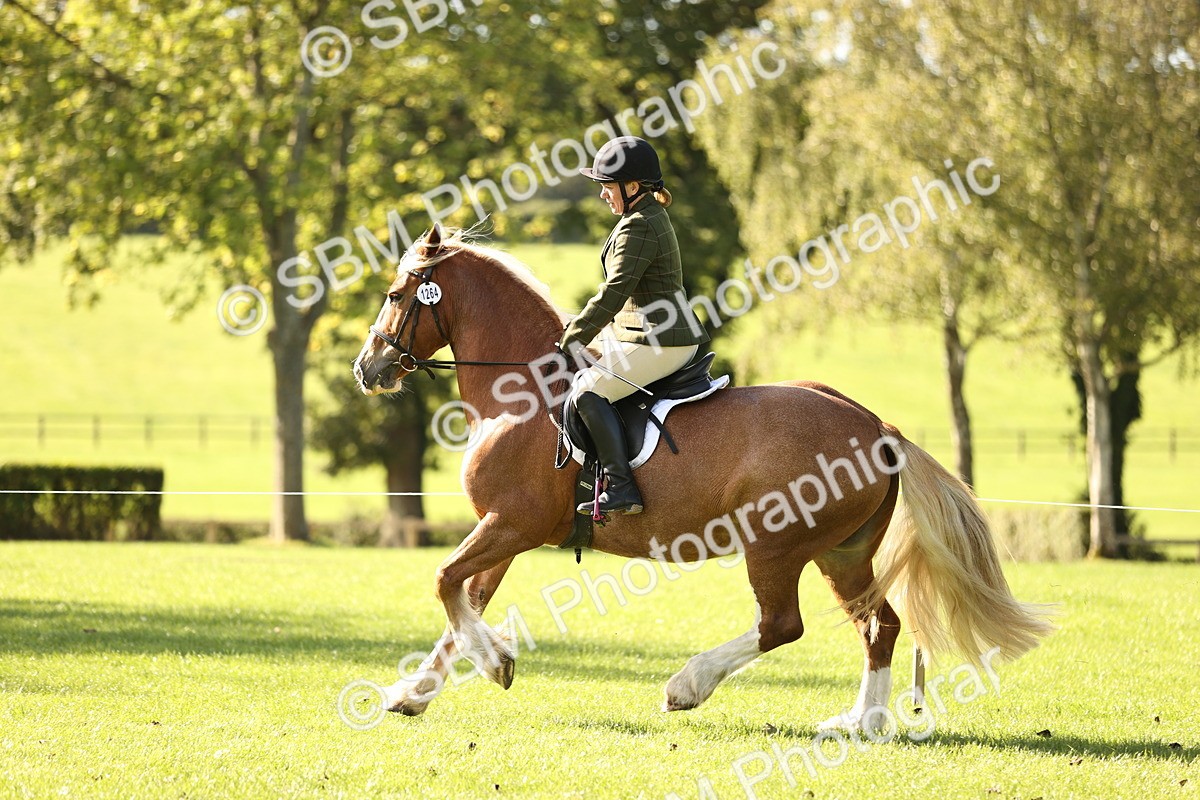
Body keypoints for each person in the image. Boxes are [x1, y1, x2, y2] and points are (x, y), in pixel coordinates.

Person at [559, 136, 710, 516]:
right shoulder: (641, 217)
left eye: (607, 187)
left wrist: (574, 337)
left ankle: (622, 487)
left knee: (588, 392)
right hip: (643, 330)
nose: (602, 195)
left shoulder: (638, 226)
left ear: (632, 187)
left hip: (660, 340)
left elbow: (615, 290)